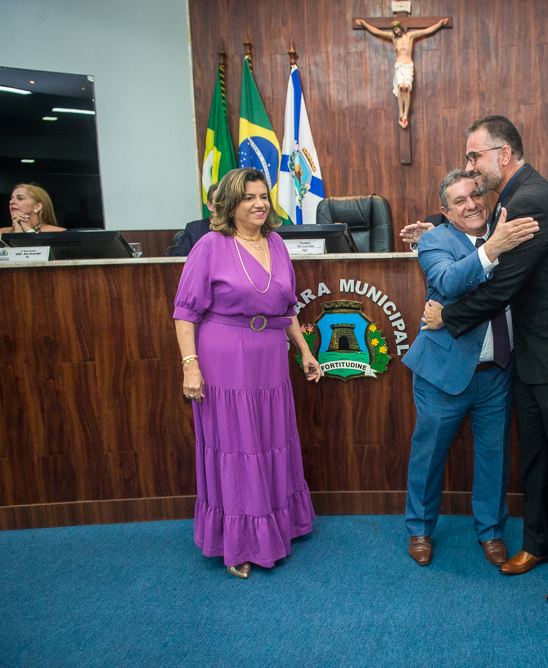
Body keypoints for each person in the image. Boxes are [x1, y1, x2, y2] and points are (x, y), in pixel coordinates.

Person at [422, 115, 548, 605]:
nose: (470, 167)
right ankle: (540, 544)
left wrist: (448, 317)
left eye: (474, 157)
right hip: (533, 353)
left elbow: (503, 285)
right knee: (538, 457)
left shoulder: (528, 199)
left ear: (503, 154)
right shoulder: (513, 198)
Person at [172, 168, 322, 580]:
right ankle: (238, 542)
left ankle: (278, 525)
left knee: (271, 439)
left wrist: (305, 351)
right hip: (225, 354)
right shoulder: (210, 245)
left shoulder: (276, 243)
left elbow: (286, 308)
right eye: (247, 197)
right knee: (237, 445)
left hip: (269, 357)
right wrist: (191, 366)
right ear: (229, 204)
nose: (258, 204)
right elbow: (185, 313)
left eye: (262, 196)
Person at [402, 169, 540, 567]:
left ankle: (491, 531)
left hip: (497, 370)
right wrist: (490, 249)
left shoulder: (506, 228)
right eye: (459, 201)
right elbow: (447, 282)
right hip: (443, 373)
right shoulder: (434, 240)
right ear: (446, 211)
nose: (471, 204)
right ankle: (420, 528)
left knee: (494, 455)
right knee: (429, 455)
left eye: (475, 195)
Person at [355, 17, 449, 128]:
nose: (396, 31)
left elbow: (426, 30)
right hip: (399, 65)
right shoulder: (394, 38)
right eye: (394, 30)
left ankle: (405, 114)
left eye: (397, 29)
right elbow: (377, 31)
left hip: (408, 66)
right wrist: (364, 24)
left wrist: (440, 23)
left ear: (400, 28)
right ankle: (401, 112)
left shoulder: (410, 36)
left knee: (406, 89)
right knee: (401, 88)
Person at [0, 184, 65, 241]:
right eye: (11, 199)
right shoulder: (2, 233)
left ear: (38, 206)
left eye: (20, 198)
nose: (11, 202)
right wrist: (18, 233)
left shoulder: (58, 233)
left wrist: (29, 231)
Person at [170, 184, 218, 256]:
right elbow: (179, 259)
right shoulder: (194, 229)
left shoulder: (238, 227)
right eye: (220, 200)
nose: (225, 204)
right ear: (210, 206)